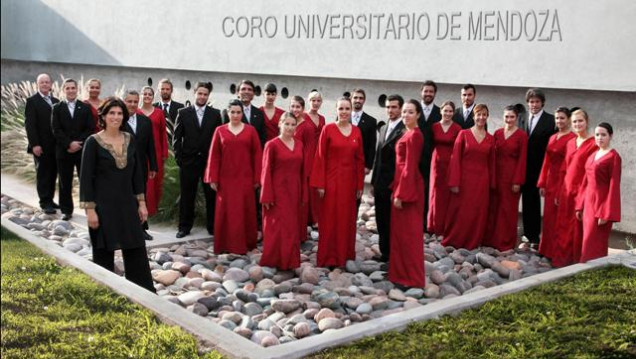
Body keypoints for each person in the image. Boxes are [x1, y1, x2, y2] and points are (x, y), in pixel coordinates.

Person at [79, 97, 155, 293]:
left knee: (136, 248)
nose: (116, 116)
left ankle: (144, 293)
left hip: (127, 204)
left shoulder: (130, 139)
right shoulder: (92, 142)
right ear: (103, 116)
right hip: (102, 207)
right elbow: (86, 178)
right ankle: (104, 293)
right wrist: (90, 211)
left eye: (119, 113)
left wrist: (142, 203)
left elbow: (137, 174)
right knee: (103, 252)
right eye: (111, 113)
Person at [310, 97, 365, 268]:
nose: (344, 112)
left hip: (349, 184)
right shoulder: (328, 129)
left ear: (351, 111)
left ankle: (344, 254)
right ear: (336, 110)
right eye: (341, 108)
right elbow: (320, 157)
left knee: (346, 219)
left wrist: (359, 185)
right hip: (330, 182)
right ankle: (328, 257)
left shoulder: (357, 131)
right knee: (329, 219)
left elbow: (360, 160)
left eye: (347, 109)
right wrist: (320, 184)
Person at [205, 99, 262, 255]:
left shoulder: (251, 131)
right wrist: (213, 178)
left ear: (242, 113)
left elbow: (257, 155)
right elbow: (214, 155)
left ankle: (247, 244)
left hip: (246, 178)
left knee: (245, 210)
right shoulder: (220, 131)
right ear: (228, 113)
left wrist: (257, 178)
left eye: (238, 112)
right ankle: (225, 244)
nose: (235, 115)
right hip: (225, 179)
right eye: (232, 112)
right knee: (226, 212)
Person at [442, 104, 496, 250]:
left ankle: (473, 241)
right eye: (478, 114)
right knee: (462, 210)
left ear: (487, 116)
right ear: (473, 116)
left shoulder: (491, 138)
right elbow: (455, 159)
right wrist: (454, 181)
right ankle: (456, 240)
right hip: (464, 179)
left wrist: (492, 183)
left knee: (478, 211)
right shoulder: (463, 134)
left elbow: (492, 163)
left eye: (484, 114)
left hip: (482, 181)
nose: (481, 117)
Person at [173, 82, 221, 238]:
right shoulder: (183, 112)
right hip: (188, 162)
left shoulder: (215, 114)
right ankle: (184, 227)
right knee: (187, 196)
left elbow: (218, 139)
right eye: (200, 93)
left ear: (208, 96)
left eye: (205, 94)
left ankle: (212, 227)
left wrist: (215, 162)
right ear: (195, 94)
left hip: (208, 163)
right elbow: (176, 137)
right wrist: (180, 159)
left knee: (211, 196)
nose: (202, 96)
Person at [551, 109, 597, 266]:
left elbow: (590, 174)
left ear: (587, 122)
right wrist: (559, 191)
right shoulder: (570, 142)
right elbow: (564, 169)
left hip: (581, 192)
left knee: (576, 229)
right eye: (575, 121)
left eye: (580, 121)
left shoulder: (593, 144)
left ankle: (575, 263)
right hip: (566, 190)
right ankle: (560, 262)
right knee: (562, 226)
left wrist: (583, 199)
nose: (577, 124)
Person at [260, 112, 306, 270]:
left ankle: (290, 260)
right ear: (280, 124)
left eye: (293, 124)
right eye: (287, 124)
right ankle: (274, 260)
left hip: (294, 190)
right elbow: (265, 171)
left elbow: (302, 171)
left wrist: (303, 193)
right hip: (277, 191)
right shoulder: (271, 145)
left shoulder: (299, 144)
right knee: (276, 226)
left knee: (292, 226)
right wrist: (266, 195)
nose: (290, 127)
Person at [388, 99, 425, 288]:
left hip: (409, 187)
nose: (405, 115)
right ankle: (399, 273)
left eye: (410, 112)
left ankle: (412, 278)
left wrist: (401, 194)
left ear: (418, 114)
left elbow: (410, 167)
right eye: (404, 112)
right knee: (401, 234)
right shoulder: (407, 133)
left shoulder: (415, 136)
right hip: (402, 183)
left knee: (409, 235)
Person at [484, 106, 528, 251]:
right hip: (497, 174)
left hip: (512, 177)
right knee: (494, 207)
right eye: (506, 117)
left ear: (516, 118)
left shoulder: (522, 136)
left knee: (508, 210)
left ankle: (506, 242)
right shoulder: (497, 133)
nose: (509, 120)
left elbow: (522, 160)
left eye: (512, 117)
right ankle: (491, 240)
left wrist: (517, 181)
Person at [576, 123, 621, 262]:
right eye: (597, 135)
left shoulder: (614, 157)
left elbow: (614, 186)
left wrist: (606, 213)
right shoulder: (593, 155)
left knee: (595, 241)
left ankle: (593, 270)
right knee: (586, 239)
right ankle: (585, 269)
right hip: (588, 203)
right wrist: (580, 205)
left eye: (603, 135)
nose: (599, 138)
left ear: (610, 136)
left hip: (602, 203)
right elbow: (585, 182)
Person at [51, 78, 95, 220]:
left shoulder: (85, 107)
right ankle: (66, 210)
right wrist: (69, 144)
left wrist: (78, 143)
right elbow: (55, 129)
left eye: (73, 88)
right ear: (64, 90)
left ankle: (89, 209)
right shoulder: (56, 108)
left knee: (86, 180)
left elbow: (90, 128)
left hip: (81, 151)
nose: (70, 90)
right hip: (64, 151)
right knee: (65, 181)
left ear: (77, 90)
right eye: (67, 88)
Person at [537, 107, 576, 259]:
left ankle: (557, 251)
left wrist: (563, 187)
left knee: (560, 217)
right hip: (550, 180)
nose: (559, 121)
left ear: (568, 120)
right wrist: (542, 183)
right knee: (548, 216)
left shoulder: (572, 139)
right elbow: (546, 161)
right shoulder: (553, 137)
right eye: (557, 118)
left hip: (563, 180)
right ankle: (546, 249)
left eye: (562, 118)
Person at [371, 95, 405, 262]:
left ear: (400, 109)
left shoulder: (404, 130)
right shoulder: (383, 128)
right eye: (388, 107)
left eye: (394, 107)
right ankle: (385, 253)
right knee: (381, 219)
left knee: (393, 222)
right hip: (379, 183)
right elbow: (378, 156)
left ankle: (394, 255)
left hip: (393, 183)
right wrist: (373, 182)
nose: (390, 110)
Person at [521, 88, 556, 248]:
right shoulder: (521, 118)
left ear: (542, 103)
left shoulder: (550, 121)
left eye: (537, 101)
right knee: (526, 201)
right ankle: (527, 234)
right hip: (522, 167)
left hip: (539, 168)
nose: (534, 104)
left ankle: (535, 236)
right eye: (531, 101)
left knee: (535, 202)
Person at [123, 90, 157, 241]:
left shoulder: (145, 121)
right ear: (124, 102)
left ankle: (142, 228)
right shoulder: (118, 121)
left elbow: (151, 145)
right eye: (129, 101)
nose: (132, 104)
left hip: (141, 167)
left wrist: (153, 166)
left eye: (135, 102)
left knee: (141, 196)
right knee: (125, 197)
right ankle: (125, 229)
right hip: (123, 166)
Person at [25, 73, 60, 214]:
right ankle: (44, 202)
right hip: (40, 146)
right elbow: (30, 125)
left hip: (55, 146)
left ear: (51, 84)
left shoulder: (56, 101)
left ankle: (50, 199)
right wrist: (35, 144)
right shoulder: (32, 101)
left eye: (47, 82)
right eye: (42, 82)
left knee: (53, 173)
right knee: (43, 174)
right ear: (38, 84)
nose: (45, 84)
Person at [427, 101, 461, 236]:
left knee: (448, 195)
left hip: (451, 163)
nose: (448, 114)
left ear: (453, 113)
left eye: (450, 111)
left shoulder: (458, 128)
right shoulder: (434, 127)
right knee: (435, 194)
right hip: (436, 163)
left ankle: (446, 226)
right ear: (441, 111)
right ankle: (434, 226)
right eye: (445, 111)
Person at [294, 92, 325, 227]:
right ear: (308, 101)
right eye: (313, 100)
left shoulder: (322, 118)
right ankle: (305, 217)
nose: (316, 103)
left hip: (318, 153)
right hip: (305, 152)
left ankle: (316, 216)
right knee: (305, 184)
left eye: (318, 100)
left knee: (315, 184)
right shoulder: (302, 116)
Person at [138, 86, 168, 217]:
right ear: (141, 96)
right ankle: (143, 209)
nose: (147, 96)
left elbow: (163, 134)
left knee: (156, 180)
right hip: (141, 152)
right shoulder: (137, 112)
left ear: (153, 96)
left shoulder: (159, 112)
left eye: (149, 94)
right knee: (143, 180)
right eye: (144, 94)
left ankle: (155, 210)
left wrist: (164, 153)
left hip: (156, 151)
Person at [417, 80, 442, 232]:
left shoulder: (440, 112)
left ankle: (425, 223)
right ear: (421, 92)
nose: (428, 94)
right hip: (415, 158)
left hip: (432, 160)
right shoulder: (413, 109)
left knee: (428, 192)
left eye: (431, 92)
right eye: (425, 91)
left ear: (434, 94)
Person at [223, 80, 266, 147]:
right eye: (243, 89)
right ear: (237, 93)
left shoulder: (259, 113)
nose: (246, 92)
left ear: (253, 93)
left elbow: (262, 137)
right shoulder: (227, 112)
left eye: (250, 89)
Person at [351, 88, 377, 175]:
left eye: (361, 98)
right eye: (355, 97)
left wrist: (368, 166)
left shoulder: (371, 121)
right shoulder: (343, 117)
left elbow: (372, 145)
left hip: (361, 164)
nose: (358, 100)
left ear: (364, 100)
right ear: (351, 99)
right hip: (343, 162)